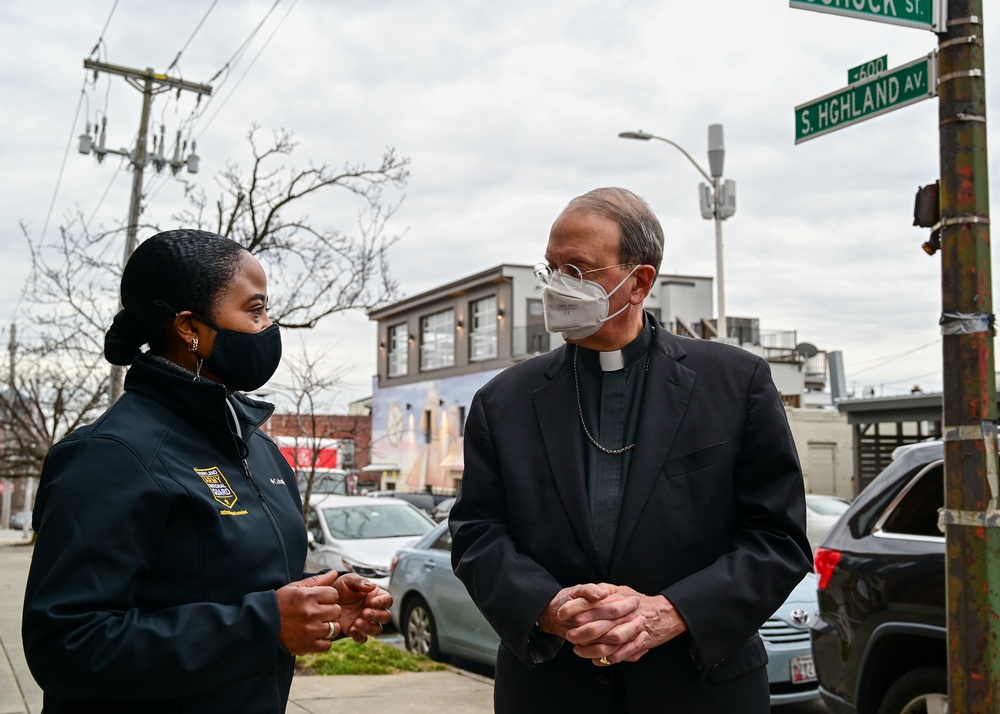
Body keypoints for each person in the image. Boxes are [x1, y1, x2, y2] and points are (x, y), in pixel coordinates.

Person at [449, 188, 812, 713]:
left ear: (639, 281)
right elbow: (478, 533)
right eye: (550, 270)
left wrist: (670, 612)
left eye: (578, 270)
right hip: (551, 691)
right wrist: (549, 607)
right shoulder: (501, 401)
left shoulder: (735, 384)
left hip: (700, 689)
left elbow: (777, 538)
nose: (558, 287)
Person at [22, 229, 392, 713]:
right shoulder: (110, 454)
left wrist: (316, 598)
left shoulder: (256, 445)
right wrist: (263, 624)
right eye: (255, 310)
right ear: (189, 328)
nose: (268, 325)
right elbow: (65, 645)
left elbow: (219, 580)